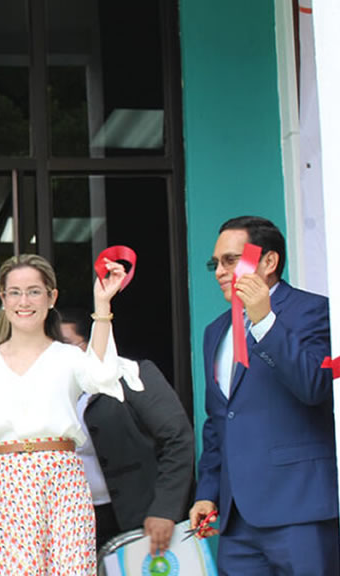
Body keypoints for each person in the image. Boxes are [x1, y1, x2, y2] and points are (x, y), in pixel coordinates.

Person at [0, 253, 129, 575]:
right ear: (3, 299)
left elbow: (101, 376)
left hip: (65, 479)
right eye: (14, 292)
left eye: (34, 291)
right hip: (8, 481)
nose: (24, 301)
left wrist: (102, 306)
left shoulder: (69, 358)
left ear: (51, 297)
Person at [189, 215, 338, 574]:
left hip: (299, 509)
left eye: (230, 260)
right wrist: (207, 491)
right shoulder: (216, 331)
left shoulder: (315, 311)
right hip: (237, 519)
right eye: (216, 263)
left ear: (268, 262)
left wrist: (265, 322)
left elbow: (313, 386)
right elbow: (219, 420)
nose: (220, 272)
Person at [60, 309, 195, 556]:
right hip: (72, 522)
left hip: (136, 519)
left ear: (92, 343)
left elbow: (178, 439)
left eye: (67, 346)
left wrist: (165, 509)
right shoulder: (49, 391)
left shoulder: (132, 374)